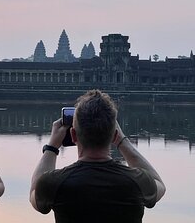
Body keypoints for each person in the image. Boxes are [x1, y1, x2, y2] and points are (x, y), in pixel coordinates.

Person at [30, 89, 166, 223]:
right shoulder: (136, 181)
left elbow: (34, 194)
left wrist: (51, 147)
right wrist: (122, 141)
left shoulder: (55, 183)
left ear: (73, 135)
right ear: (114, 135)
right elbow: (159, 185)